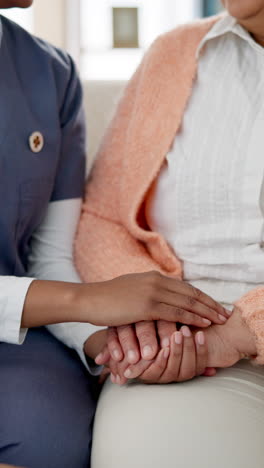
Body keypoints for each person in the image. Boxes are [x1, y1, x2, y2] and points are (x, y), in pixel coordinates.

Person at [0, 1, 229, 467]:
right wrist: (87, 301)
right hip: (40, 312)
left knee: (58, 439)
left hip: (21, 344)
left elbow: (49, 255)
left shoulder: (51, 73)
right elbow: (77, 294)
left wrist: (122, 344)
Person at [75, 0, 264, 467]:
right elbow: (103, 215)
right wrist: (152, 312)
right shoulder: (175, 53)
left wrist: (240, 331)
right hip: (188, 344)